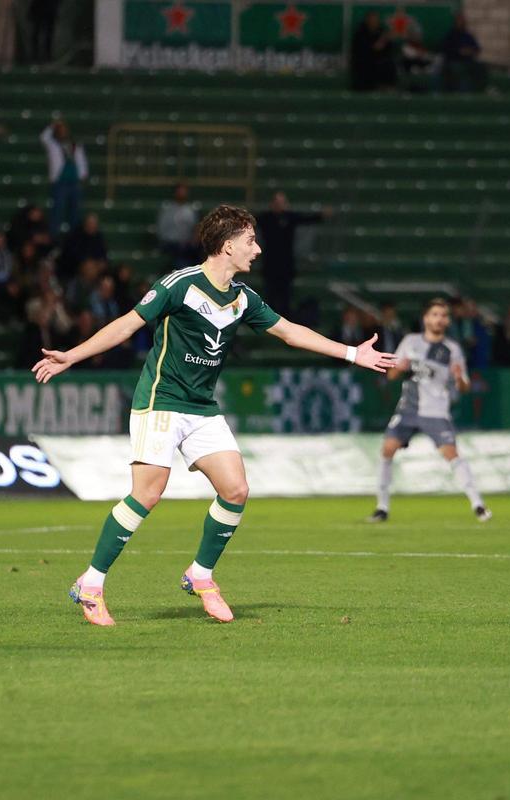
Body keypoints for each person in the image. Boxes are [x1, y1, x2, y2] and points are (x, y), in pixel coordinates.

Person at [32, 204, 396, 627]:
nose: (257, 250)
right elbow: (127, 325)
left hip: (201, 407)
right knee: (148, 493)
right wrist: (70, 357)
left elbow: (289, 331)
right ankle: (90, 584)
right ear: (227, 246)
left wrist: (352, 353)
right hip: (161, 399)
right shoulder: (180, 284)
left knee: (236, 488)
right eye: (250, 241)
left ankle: (200, 574)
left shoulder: (243, 298)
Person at [369, 298, 491, 525]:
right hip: (408, 409)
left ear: (447, 321)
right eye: (435, 314)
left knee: (451, 454)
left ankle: (478, 504)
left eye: (443, 315)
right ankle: (382, 507)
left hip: (436, 411)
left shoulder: (452, 349)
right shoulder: (410, 341)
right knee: (387, 450)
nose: (439, 319)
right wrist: (399, 367)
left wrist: (457, 377)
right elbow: (391, 375)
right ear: (426, 318)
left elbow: (464, 387)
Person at [255, 191, 327, 319]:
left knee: (286, 297)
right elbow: (251, 221)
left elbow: (306, 218)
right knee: (270, 295)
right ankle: (267, 321)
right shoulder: (266, 218)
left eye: (282, 202)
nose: (279, 205)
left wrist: (321, 215)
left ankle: (285, 321)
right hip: (270, 265)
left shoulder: (290, 217)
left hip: (286, 265)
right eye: (277, 202)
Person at [40, 119, 87, 236]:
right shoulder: (52, 144)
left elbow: (81, 160)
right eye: (60, 130)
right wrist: (52, 125)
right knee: (57, 212)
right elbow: (43, 137)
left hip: (74, 181)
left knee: (75, 213)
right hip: (60, 182)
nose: (63, 132)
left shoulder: (75, 144)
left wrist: (83, 174)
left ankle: (74, 239)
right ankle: (53, 238)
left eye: (64, 130)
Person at [436, 13, 487, 93]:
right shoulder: (451, 35)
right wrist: (459, 51)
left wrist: (470, 51)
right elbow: (445, 49)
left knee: (481, 67)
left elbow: (477, 48)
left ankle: (481, 90)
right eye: (459, 21)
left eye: (463, 21)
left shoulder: (467, 35)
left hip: (468, 61)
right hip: (453, 61)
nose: (461, 23)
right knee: (456, 70)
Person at [156, 183, 200, 268]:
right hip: (170, 244)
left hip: (187, 245)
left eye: (184, 191)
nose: (182, 194)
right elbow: (161, 230)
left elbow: (196, 228)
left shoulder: (190, 210)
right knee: (180, 254)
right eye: (180, 191)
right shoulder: (167, 209)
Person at [349, 11, 396, 92]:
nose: (374, 22)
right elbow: (367, 50)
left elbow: (387, 49)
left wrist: (388, 40)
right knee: (366, 66)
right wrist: (381, 42)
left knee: (389, 63)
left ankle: (387, 87)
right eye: (372, 20)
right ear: (367, 20)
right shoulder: (361, 33)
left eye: (376, 20)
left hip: (380, 60)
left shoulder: (380, 31)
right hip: (365, 61)